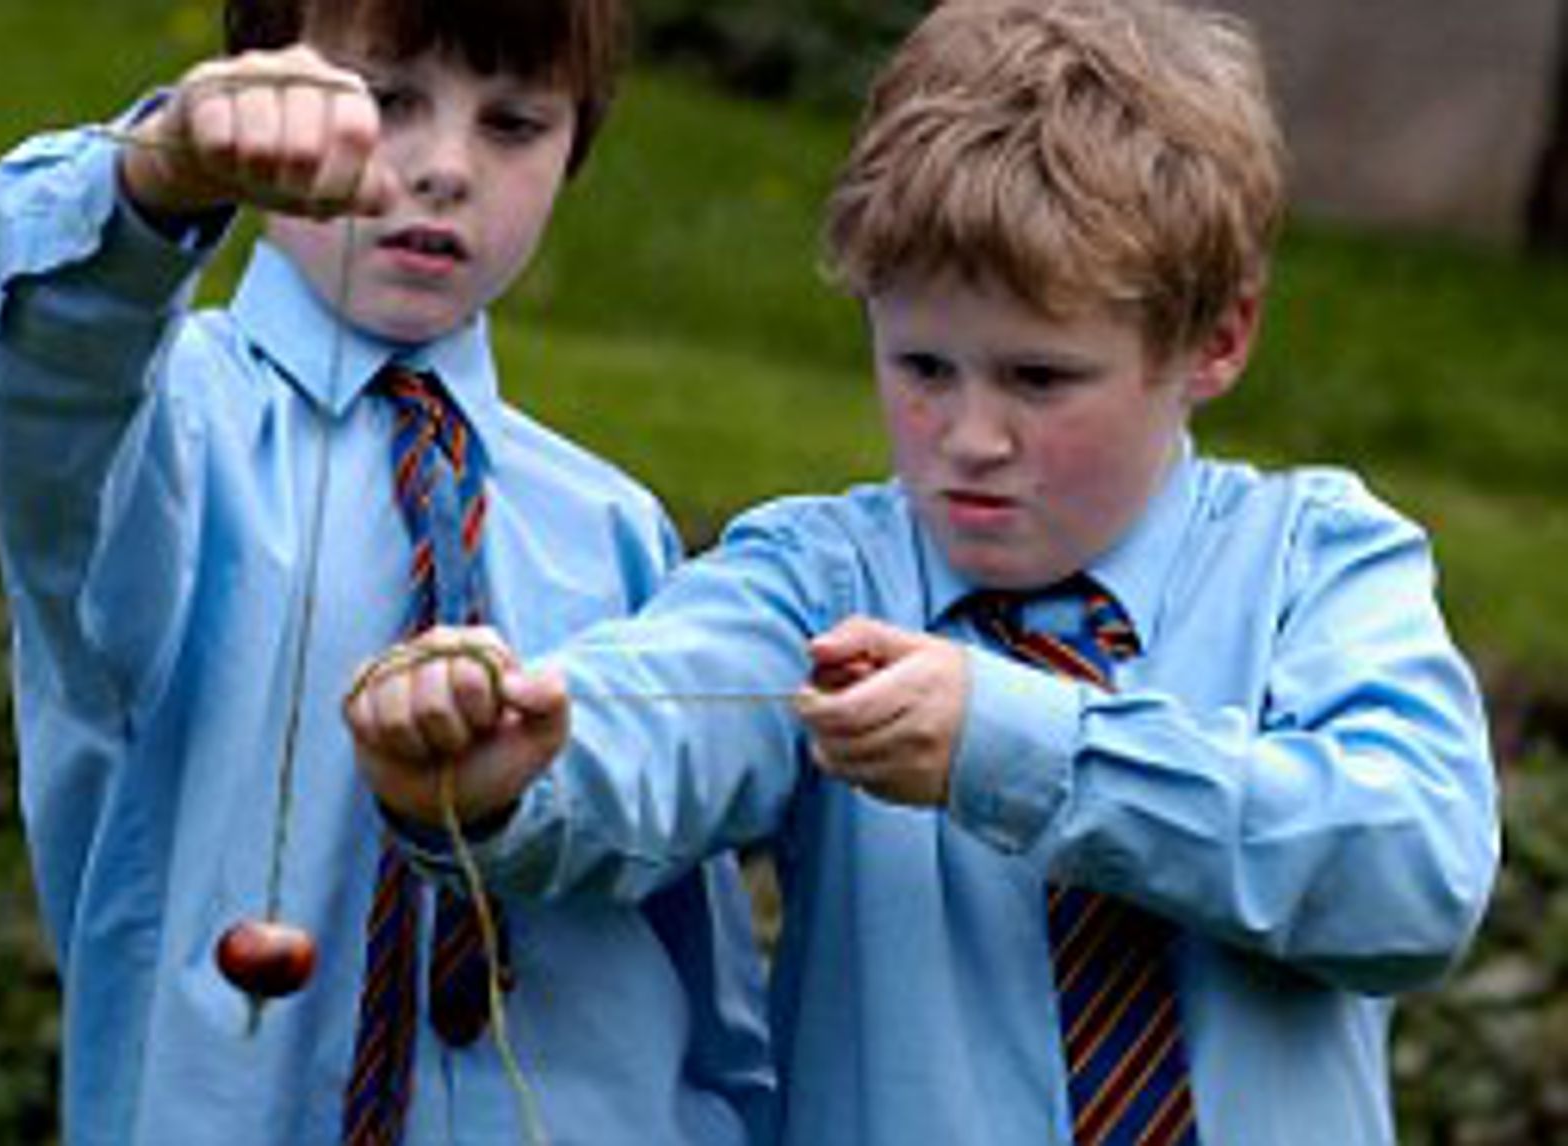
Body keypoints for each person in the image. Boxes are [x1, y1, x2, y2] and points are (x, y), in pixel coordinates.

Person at [344, 1, 1502, 1143]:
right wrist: (504, 773)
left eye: (1040, 380)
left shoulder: (1318, 565)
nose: (971, 436)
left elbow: (1411, 875)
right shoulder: (816, 580)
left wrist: (1020, 747)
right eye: (923, 366)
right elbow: (653, 723)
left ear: (1218, 340)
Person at [0, 1, 773, 1143]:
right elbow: (50, 354)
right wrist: (165, 171)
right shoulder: (161, 441)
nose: (444, 168)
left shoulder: (612, 528)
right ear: (270, 92)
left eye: (515, 124)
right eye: (387, 103)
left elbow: (708, 970)